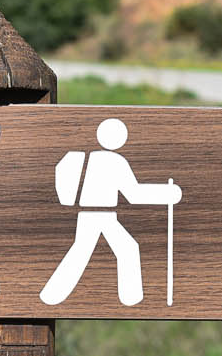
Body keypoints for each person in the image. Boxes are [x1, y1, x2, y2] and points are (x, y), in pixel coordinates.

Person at [38, 117, 182, 305]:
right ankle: (130, 299)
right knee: (118, 249)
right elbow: (133, 194)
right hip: (101, 214)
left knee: (110, 249)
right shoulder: (115, 161)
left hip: (93, 214)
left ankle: (52, 296)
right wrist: (167, 194)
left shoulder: (92, 157)